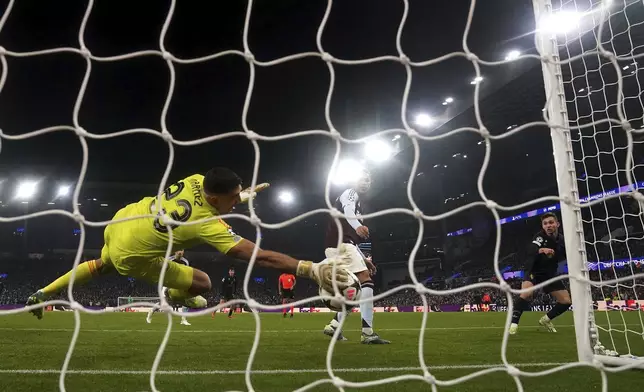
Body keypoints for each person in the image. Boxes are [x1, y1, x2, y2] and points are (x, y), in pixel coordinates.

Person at [26, 168, 353, 319]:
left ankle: (45, 292)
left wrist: (242, 194)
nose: (235, 204)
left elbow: (216, 195)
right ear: (213, 198)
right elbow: (258, 257)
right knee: (202, 283)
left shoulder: (196, 179)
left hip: (124, 219)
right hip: (135, 254)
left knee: (100, 263)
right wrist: (307, 268)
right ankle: (171, 296)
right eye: (231, 200)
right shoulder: (208, 224)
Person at [322, 170, 389, 344]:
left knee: (353, 292)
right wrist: (358, 225)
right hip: (341, 245)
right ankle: (367, 333)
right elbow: (348, 212)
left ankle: (334, 326)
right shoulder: (350, 194)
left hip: (338, 247)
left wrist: (365, 259)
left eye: (368, 180)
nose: (365, 183)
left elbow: (350, 239)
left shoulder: (357, 201)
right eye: (362, 179)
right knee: (366, 282)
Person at [509, 212, 571, 334]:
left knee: (566, 302)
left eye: (551, 222)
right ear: (542, 226)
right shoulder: (540, 237)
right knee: (526, 293)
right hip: (534, 271)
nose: (548, 225)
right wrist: (541, 249)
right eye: (545, 223)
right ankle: (513, 324)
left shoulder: (563, 240)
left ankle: (546, 320)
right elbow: (531, 248)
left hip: (549, 274)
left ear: (557, 224)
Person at [146, 250, 191, 326]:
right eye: (178, 250)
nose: (180, 252)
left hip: (179, 284)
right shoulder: (168, 260)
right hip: (168, 283)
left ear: (183, 252)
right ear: (175, 251)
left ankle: (183, 320)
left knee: (186, 300)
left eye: (182, 250)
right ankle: (151, 311)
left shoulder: (185, 262)